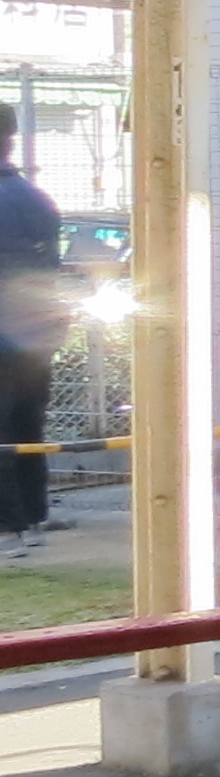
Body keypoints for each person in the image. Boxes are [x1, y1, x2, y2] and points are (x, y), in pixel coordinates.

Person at [0, 127, 68, 556]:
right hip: (37, 332)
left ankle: (8, 527)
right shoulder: (34, 198)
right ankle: (34, 518)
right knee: (27, 425)